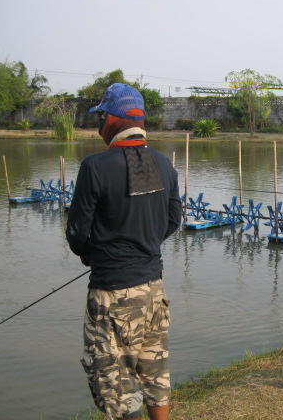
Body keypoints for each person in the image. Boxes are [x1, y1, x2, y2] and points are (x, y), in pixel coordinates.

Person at [66, 83, 182, 420]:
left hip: (112, 292)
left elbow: (77, 233)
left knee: (115, 381)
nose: (99, 124)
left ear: (113, 119)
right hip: (154, 289)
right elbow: (173, 220)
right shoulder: (164, 164)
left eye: (101, 117)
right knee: (154, 367)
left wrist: (92, 253)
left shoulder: (95, 167)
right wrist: (144, 242)